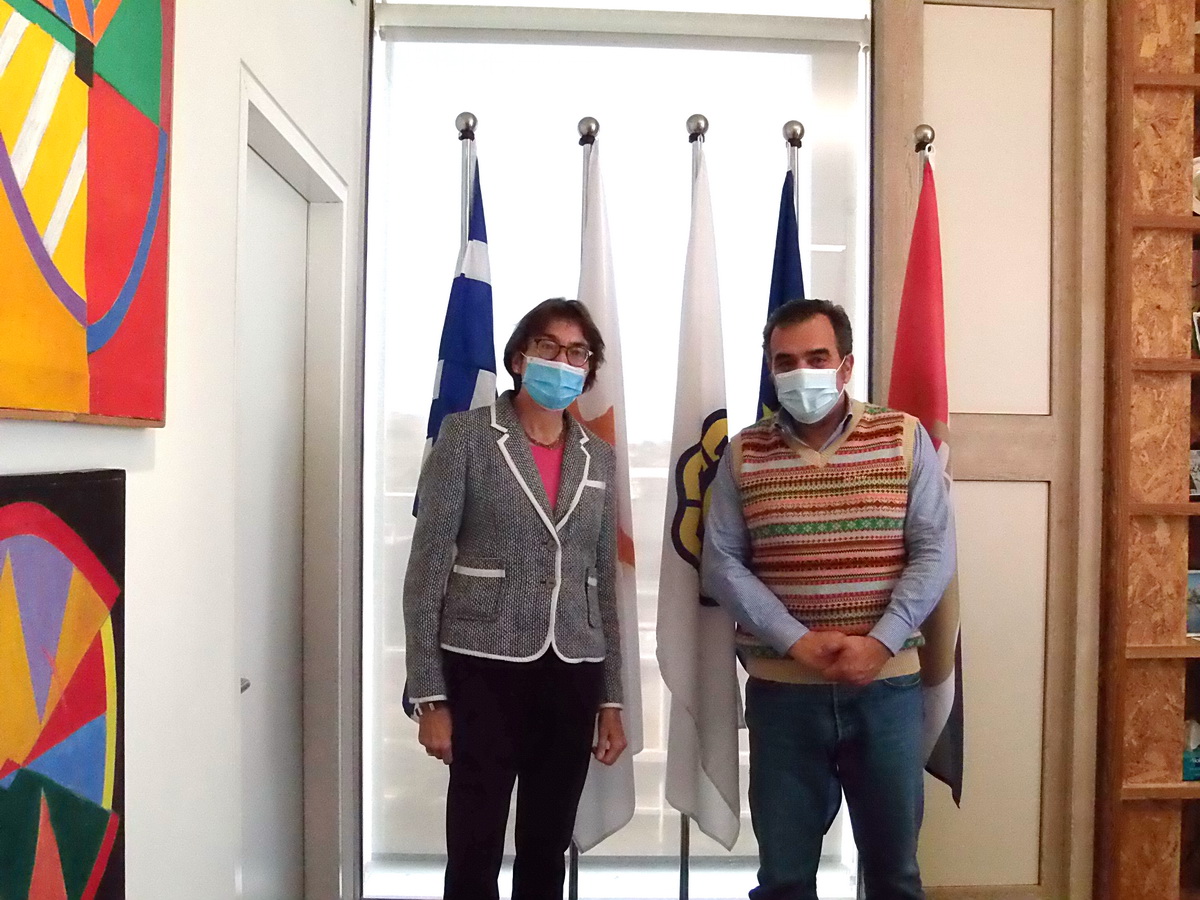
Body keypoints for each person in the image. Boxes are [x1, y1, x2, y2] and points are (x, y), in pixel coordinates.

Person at [701, 298, 955, 900]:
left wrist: (881, 642)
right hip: (783, 694)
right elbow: (722, 563)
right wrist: (796, 642)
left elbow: (934, 552)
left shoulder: (903, 437)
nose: (801, 373)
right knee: (784, 879)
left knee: (895, 877)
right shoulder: (743, 453)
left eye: (817, 358)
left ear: (845, 365)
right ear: (770, 369)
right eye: (785, 361)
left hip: (887, 691)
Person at [402, 297, 628, 900]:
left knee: (547, 844)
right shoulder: (468, 437)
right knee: (474, 843)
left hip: (572, 670)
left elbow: (601, 581)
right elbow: (426, 570)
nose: (563, 361)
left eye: (577, 352)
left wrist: (611, 700)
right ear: (520, 357)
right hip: (482, 667)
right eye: (549, 347)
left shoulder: (598, 456)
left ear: (589, 367)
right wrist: (430, 697)